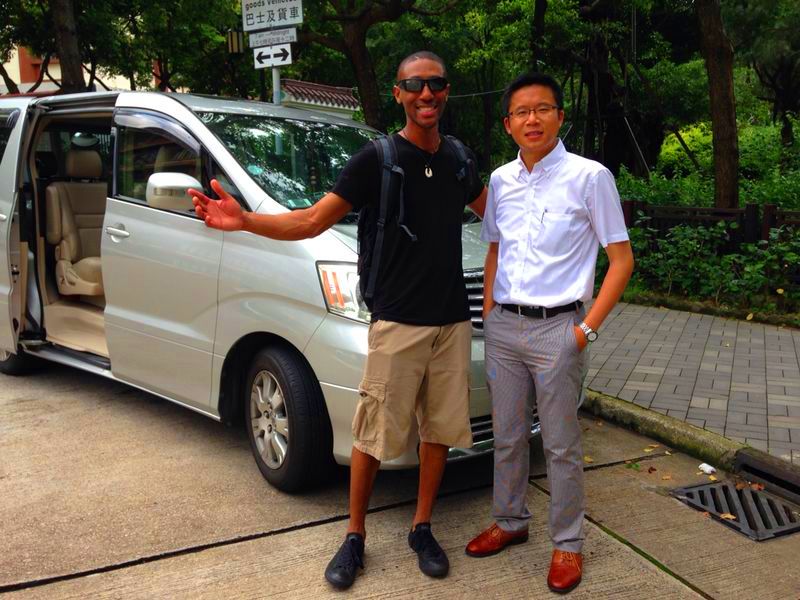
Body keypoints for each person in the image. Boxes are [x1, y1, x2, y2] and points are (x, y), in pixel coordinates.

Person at [189, 51, 486, 590]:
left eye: (436, 84)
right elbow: (310, 221)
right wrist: (243, 221)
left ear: (446, 92)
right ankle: (354, 537)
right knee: (372, 435)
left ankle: (422, 527)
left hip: (452, 320)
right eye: (414, 85)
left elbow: (500, 217)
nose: (427, 94)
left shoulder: (460, 161)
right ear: (398, 93)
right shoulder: (376, 158)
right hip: (397, 320)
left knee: (440, 430)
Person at [464, 72, 633, 594]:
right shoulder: (500, 181)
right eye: (521, 112)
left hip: (559, 327)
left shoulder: (590, 177)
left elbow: (622, 260)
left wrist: (584, 330)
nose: (531, 119)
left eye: (542, 109)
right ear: (508, 123)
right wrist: (490, 311)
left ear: (560, 116)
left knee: (559, 444)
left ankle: (568, 544)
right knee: (508, 435)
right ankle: (510, 521)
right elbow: (494, 248)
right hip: (505, 327)